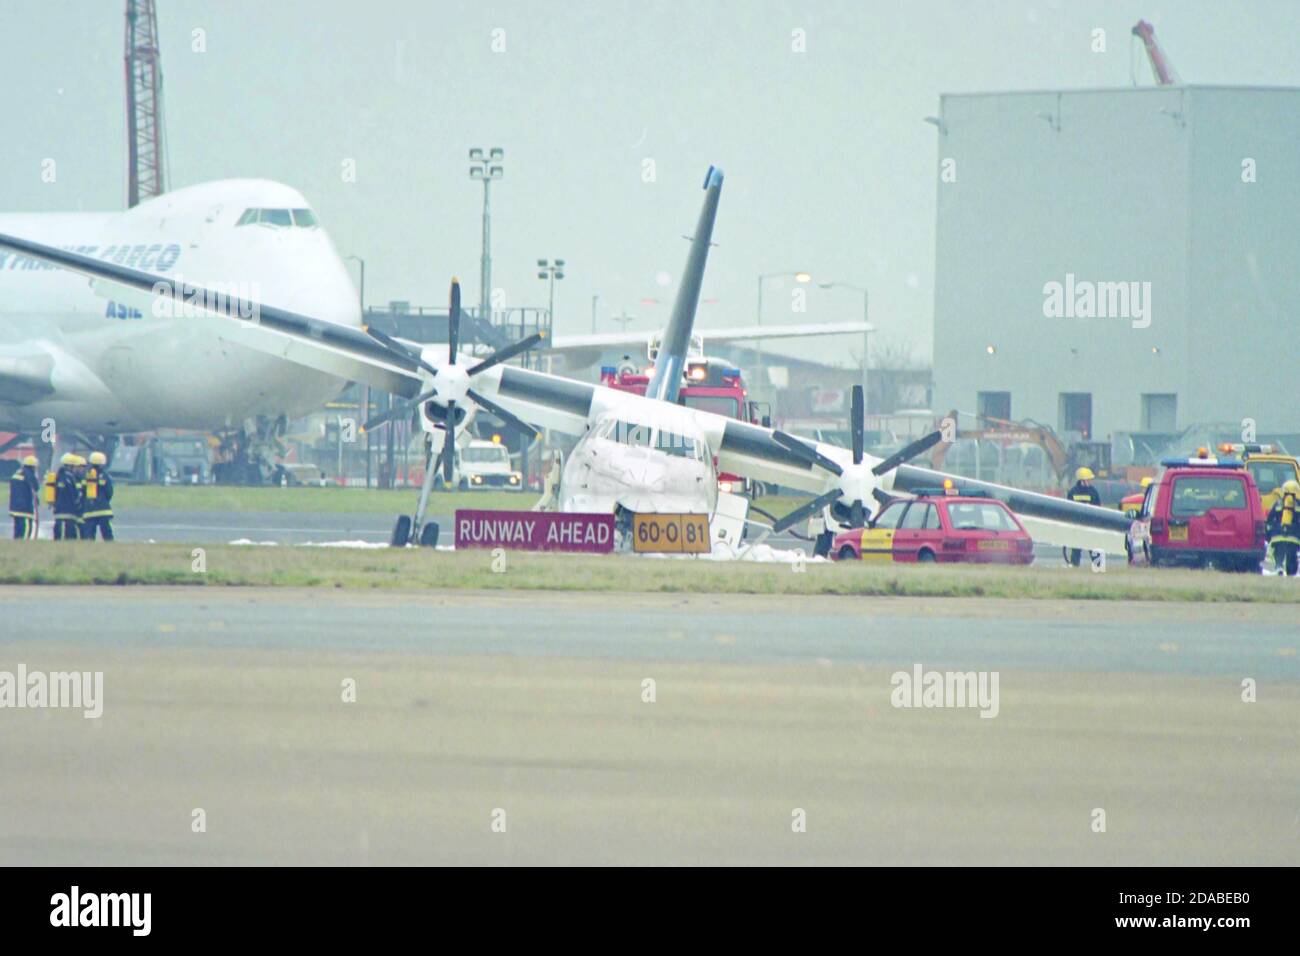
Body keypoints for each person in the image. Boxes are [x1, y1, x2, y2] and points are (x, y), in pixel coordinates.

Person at [1064, 466, 1102, 566]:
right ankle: (1097, 568)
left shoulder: (1073, 492)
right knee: (1082, 549)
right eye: (1088, 480)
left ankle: (1096, 568)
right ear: (1082, 480)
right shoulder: (1092, 492)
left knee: (1088, 549)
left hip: (1084, 526)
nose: (1090, 482)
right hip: (1082, 526)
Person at [1266, 479, 1300, 577]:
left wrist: (1268, 534)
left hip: (1278, 535)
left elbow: (1270, 519)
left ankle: (1279, 567)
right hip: (1294, 536)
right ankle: (1291, 572)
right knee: (1292, 554)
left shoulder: (1278, 503)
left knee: (1278, 553)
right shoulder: (1298, 504)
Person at [82, 451, 115, 541]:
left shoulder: (86, 475)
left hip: (89, 509)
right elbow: (109, 491)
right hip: (103, 509)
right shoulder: (105, 475)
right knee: (106, 531)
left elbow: (83, 491)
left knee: (89, 532)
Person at [52, 453, 85, 540]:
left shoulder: (58, 476)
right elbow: (73, 494)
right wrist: (78, 504)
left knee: (61, 533)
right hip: (67, 511)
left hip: (59, 509)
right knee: (67, 534)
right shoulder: (69, 478)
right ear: (70, 466)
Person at [8, 455, 41, 539]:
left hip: (14, 507)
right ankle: (24, 545)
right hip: (25, 508)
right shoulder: (29, 475)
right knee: (26, 529)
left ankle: (17, 545)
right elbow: (36, 487)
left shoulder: (16, 473)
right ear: (33, 467)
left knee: (18, 529)